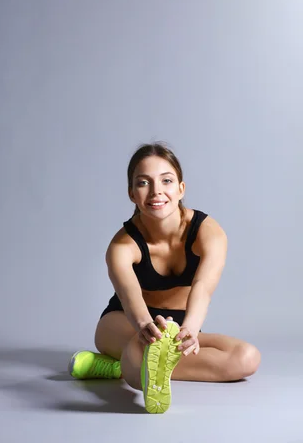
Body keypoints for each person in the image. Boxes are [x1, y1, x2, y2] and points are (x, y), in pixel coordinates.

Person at [68, 142, 261, 413]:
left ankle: (117, 367)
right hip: (126, 322)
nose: (156, 191)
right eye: (143, 183)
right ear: (132, 194)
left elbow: (203, 288)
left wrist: (191, 330)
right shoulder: (122, 246)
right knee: (140, 355)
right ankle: (133, 364)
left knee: (246, 358)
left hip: (182, 326)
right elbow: (129, 296)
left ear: (181, 189)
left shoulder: (209, 232)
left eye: (166, 180)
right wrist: (144, 326)